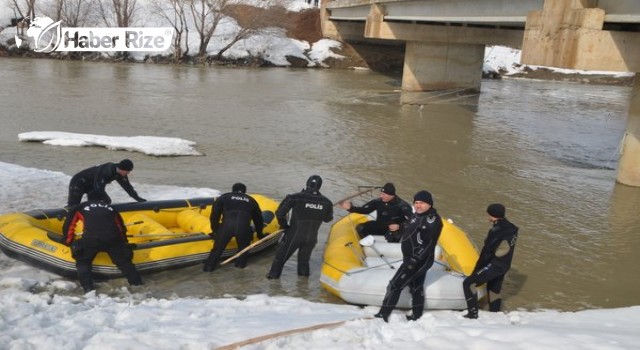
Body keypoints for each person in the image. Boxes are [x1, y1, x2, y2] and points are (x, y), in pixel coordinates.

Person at [374, 190, 443, 322]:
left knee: (394, 285)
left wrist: (414, 259)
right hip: (411, 258)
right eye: (416, 203)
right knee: (416, 287)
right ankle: (416, 315)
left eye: (421, 203)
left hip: (418, 260)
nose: (418, 205)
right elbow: (408, 227)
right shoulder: (417, 215)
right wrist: (398, 228)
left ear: (429, 204)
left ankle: (383, 315)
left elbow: (429, 244)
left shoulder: (433, 221)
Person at [62, 192, 143, 292]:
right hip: (113, 238)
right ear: (102, 199)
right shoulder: (110, 208)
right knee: (125, 263)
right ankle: (137, 284)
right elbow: (120, 227)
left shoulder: (80, 207)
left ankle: (88, 289)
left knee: (83, 261)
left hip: (92, 239)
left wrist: (68, 241)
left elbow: (69, 226)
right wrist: (124, 243)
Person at [266, 175, 333, 279]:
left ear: (307, 184)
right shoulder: (327, 202)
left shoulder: (295, 197)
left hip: (294, 235)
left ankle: (273, 287)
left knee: (279, 259)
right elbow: (328, 219)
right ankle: (303, 289)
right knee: (303, 262)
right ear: (319, 187)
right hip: (311, 238)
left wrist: (284, 226)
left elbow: (279, 213)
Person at [462, 203, 519, 319]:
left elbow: (486, 253)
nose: (487, 215)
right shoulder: (511, 228)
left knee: (468, 283)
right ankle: (495, 314)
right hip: (504, 264)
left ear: (493, 215)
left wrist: (477, 269)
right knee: (494, 289)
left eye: (488, 213)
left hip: (495, 265)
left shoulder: (496, 232)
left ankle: (472, 313)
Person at [203, 183, 265, 272]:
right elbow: (259, 220)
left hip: (226, 226)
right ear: (244, 191)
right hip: (243, 228)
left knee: (216, 252)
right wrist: (260, 234)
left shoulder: (224, 197)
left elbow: (214, 216)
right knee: (243, 252)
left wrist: (215, 231)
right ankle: (239, 273)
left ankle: (208, 270)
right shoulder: (251, 200)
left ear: (232, 190)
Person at [339, 182, 412, 242]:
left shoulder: (403, 205)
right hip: (380, 226)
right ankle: (365, 244)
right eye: (381, 194)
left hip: (394, 229)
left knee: (394, 237)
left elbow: (413, 220)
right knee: (360, 228)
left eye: (384, 194)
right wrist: (351, 208)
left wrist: (400, 226)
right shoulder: (378, 202)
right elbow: (365, 210)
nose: (381, 196)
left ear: (391, 195)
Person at [67, 159, 146, 206]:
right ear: (122, 169)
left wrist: (139, 199)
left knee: (102, 201)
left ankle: (90, 219)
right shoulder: (106, 171)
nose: (128, 173)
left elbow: (128, 188)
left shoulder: (120, 173)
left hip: (91, 185)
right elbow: (99, 189)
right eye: (127, 171)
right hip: (78, 182)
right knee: (73, 206)